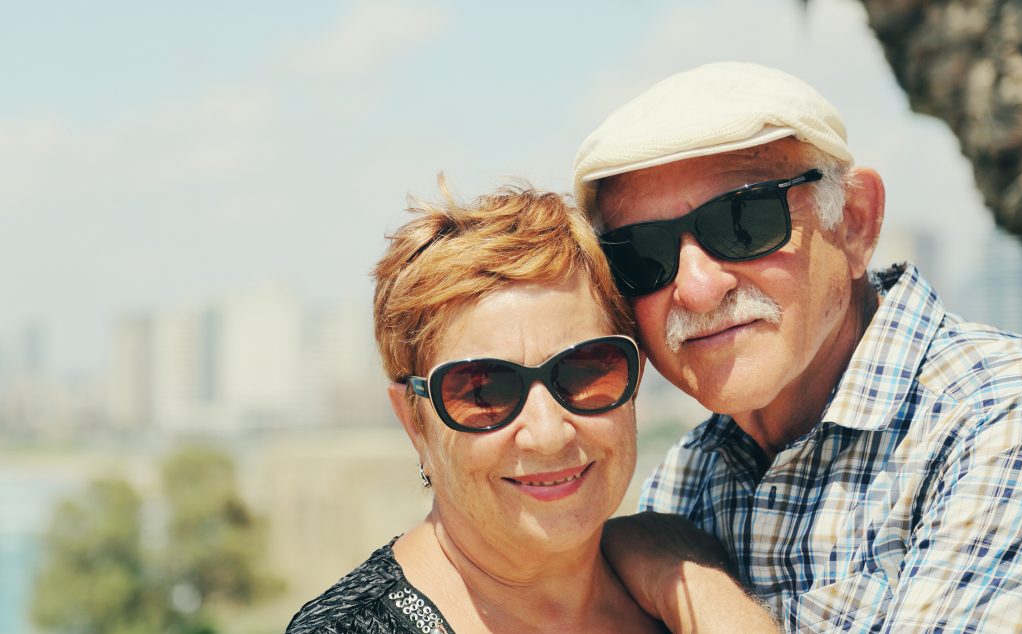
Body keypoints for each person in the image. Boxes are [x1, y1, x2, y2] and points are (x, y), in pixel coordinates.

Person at [574, 62, 1022, 632]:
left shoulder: (995, 422)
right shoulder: (689, 477)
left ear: (855, 223)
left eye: (742, 221)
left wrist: (680, 577)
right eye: (641, 254)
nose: (695, 287)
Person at [286, 183, 763, 633]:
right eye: (484, 392)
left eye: (585, 372)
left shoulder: (692, 586)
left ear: (635, 377)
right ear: (414, 420)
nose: (548, 432)